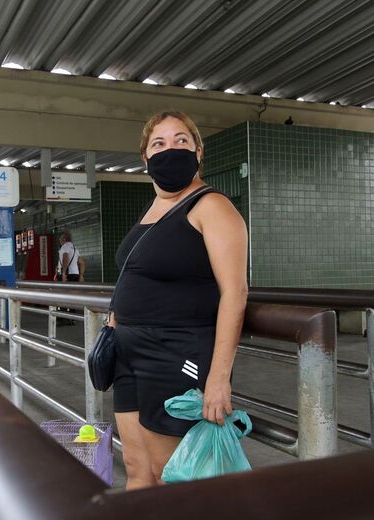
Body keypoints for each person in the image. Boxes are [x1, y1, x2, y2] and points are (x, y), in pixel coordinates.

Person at [110, 111, 248, 489]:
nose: (170, 149)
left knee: (169, 474)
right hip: (128, 353)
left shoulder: (211, 206)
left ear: (198, 152)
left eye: (181, 141)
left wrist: (219, 378)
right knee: (136, 467)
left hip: (177, 353)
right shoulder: (153, 208)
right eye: (159, 143)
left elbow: (235, 293)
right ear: (146, 159)